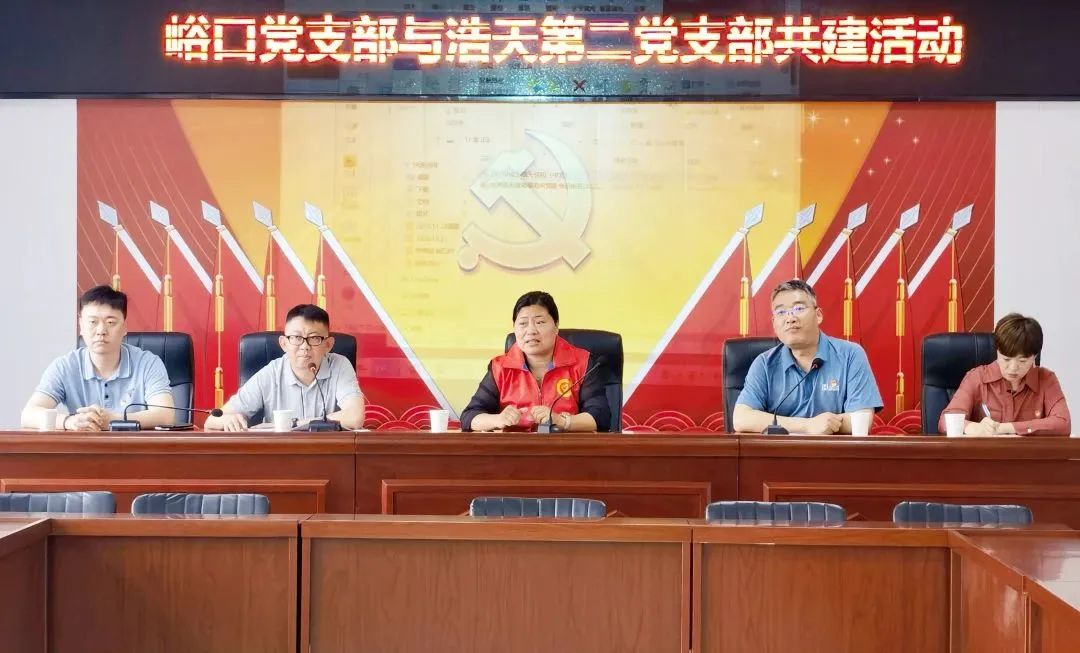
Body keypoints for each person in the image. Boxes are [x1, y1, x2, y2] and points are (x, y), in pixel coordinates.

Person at [732, 279, 883, 434]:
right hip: (779, 449)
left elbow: (861, 421)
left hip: (833, 449)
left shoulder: (850, 355)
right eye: (781, 312)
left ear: (818, 315)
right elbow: (741, 419)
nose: (790, 318)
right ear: (774, 322)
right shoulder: (764, 364)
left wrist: (821, 425)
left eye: (798, 308)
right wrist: (808, 425)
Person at [21, 285, 175, 431]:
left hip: (137, 448)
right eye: (93, 322)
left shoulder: (148, 363)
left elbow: (166, 416)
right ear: (81, 325)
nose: (101, 330)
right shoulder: (65, 367)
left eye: (110, 322)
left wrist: (114, 420)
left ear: (124, 327)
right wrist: (70, 421)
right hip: (83, 448)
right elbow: (28, 415)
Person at [461, 291, 610, 432]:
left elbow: (600, 417)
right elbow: (469, 417)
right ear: (514, 328)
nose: (531, 330)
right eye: (523, 324)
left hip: (567, 447)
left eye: (539, 322)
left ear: (556, 326)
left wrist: (562, 421)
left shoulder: (582, 363)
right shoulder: (500, 368)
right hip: (513, 449)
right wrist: (498, 419)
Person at [205, 304, 364, 431]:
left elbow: (355, 417)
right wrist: (227, 419)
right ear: (284, 343)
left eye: (314, 338)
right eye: (296, 337)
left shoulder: (339, 365)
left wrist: (297, 424)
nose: (304, 346)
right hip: (278, 456)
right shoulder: (271, 373)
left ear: (328, 345)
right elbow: (212, 420)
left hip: (328, 455)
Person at [939, 313, 1071, 436]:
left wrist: (1007, 428)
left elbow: (1063, 423)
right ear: (997, 351)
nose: (1013, 368)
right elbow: (945, 421)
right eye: (1006, 359)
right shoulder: (977, 378)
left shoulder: (1046, 379)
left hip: (1029, 454)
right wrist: (970, 427)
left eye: (1022, 361)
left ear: (1034, 356)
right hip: (985, 453)